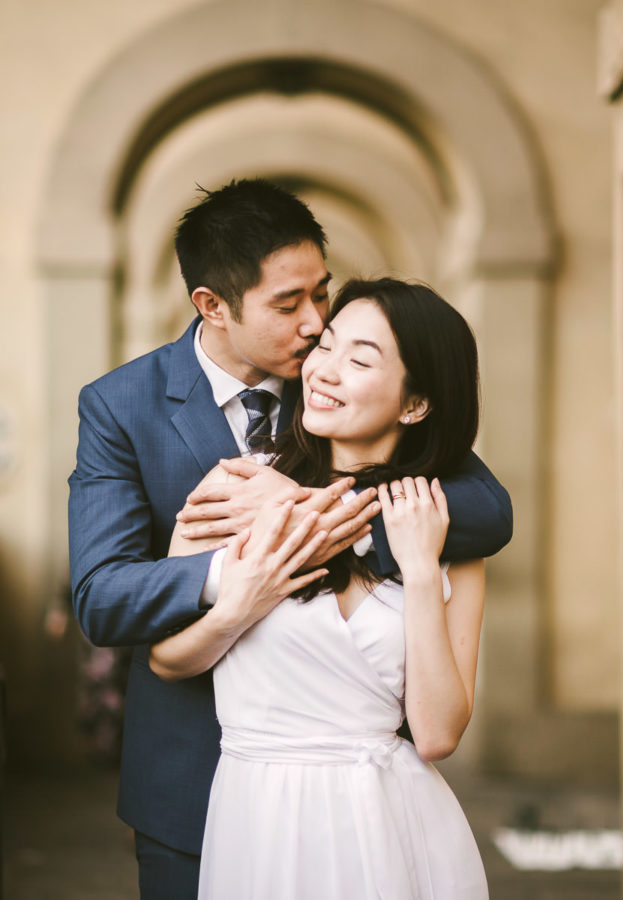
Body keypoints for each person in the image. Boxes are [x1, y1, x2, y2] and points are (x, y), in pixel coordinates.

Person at [68, 180, 512, 899]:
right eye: (288, 305)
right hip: (192, 778)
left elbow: (487, 512)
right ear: (212, 305)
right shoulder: (123, 406)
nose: (313, 326)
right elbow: (102, 596)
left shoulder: (336, 381)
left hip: (359, 790)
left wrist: (306, 510)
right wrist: (237, 578)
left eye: (321, 295)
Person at [150, 278, 491, 898]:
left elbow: (438, 735)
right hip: (262, 815)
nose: (324, 371)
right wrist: (238, 608)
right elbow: (166, 658)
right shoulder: (237, 491)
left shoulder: (442, 530)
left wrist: (418, 572)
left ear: (415, 405)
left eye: (359, 360)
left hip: (394, 823)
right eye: (326, 348)